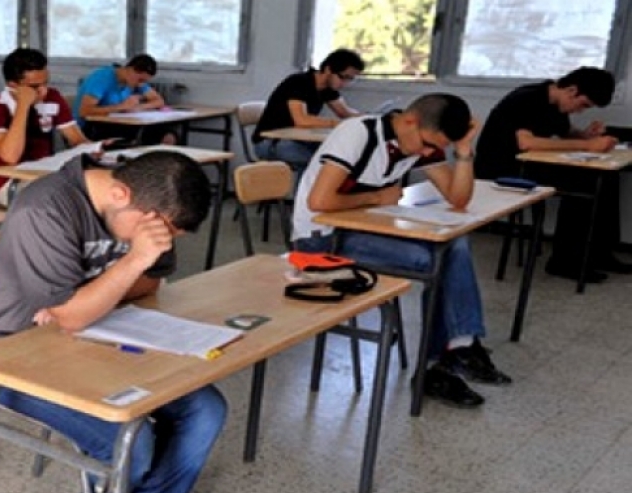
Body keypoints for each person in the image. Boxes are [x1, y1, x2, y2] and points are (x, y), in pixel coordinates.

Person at [0, 151, 227, 493]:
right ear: (120, 194)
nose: (157, 242)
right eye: (155, 234)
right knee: (132, 440)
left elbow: (145, 287)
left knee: (206, 409)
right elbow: (75, 315)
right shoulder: (46, 209)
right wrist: (128, 265)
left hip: (93, 341)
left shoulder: (150, 208)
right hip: (3, 356)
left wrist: (92, 298)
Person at [291, 93, 511, 408]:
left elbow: (459, 198)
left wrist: (463, 152)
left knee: (454, 243)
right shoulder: (358, 133)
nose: (426, 153)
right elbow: (319, 201)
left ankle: (455, 350)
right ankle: (445, 359)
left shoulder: (419, 139)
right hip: (322, 239)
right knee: (435, 259)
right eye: (427, 144)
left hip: (365, 228)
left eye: (434, 148)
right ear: (410, 121)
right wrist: (376, 198)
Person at [474, 67, 623, 283]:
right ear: (572, 90)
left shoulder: (556, 105)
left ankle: (599, 253)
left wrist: (585, 135)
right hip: (501, 168)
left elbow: (564, 133)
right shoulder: (527, 98)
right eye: (583, 105)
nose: (580, 111)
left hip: (529, 164)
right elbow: (526, 143)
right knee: (584, 183)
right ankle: (565, 261)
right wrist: (587, 146)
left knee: (608, 176)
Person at [0, 48, 93, 204]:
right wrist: (23, 105)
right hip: (13, 182)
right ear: (13, 86)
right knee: (67, 199)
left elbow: (76, 138)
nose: (43, 91)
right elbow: (10, 156)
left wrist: (94, 148)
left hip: (48, 174)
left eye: (45, 83)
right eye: (34, 87)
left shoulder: (52, 96)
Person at [253, 49, 365, 170]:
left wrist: (368, 118)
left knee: (337, 155)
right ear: (328, 69)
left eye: (350, 79)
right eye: (343, 77)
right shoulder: (299, 82)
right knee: (324, 163)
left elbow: (345, 112)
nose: (345, 83)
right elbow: (302, 121)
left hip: (297, 140)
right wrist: (335, 123)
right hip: (271, 142)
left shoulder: (328, 89)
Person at [76, 54, 176, 146]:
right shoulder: (102, 78)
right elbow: (84, 111)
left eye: (144, 81)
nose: (141, 84)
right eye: (140, 80)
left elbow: (158, 101)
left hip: (116, 123)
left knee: (165, 132)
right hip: (90, 127)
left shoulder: (134, 80)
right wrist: (122, 107)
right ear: (130, 70)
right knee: (144, 137)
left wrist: (137, 107)